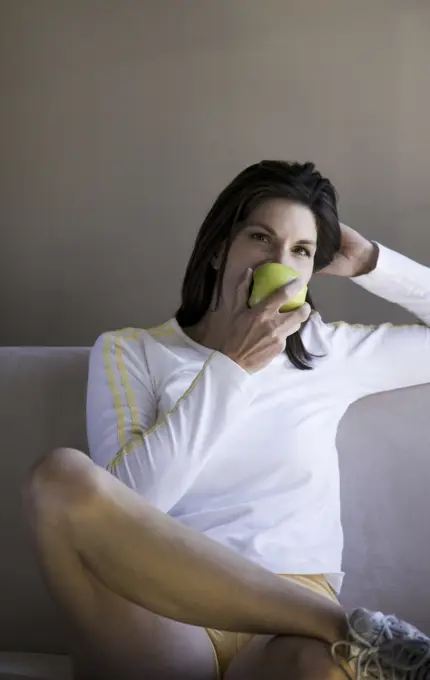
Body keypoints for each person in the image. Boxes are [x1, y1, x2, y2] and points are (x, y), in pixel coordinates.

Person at [26, 161, 430, 680]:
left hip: (288, 618)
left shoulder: (332, 352)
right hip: (163, 604)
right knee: (58, 477)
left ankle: (341, 639)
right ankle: (350, 631)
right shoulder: (134, 351)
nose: (278, 261)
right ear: (220, 250)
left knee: (319, 669)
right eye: (261, 238)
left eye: (301, 251)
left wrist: (374, 263)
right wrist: (233, 368)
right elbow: (131, 501)